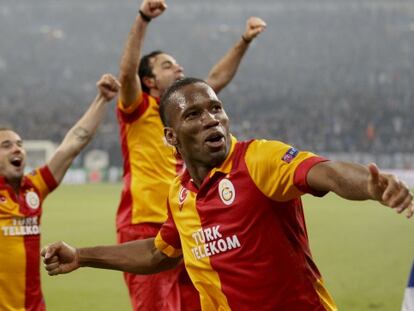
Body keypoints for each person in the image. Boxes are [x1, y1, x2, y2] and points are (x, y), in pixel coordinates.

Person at [43, 78, 413, 310]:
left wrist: (370, 185)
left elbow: (326, 172)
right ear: (171, 137)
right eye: (193, 115)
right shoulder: (181, 194)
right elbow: (159, 253)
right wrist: (82, 255)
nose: (210, 120)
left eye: (216, 109)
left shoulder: (258, 159)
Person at [115, 0, 266, 309]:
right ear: (150, 81)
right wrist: (143, 18)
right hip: (145, 223)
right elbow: (127, 70)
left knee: (201, 300)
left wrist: (244, 40)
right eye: (167, 65)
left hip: (188, 218)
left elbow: (217, 79)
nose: (179, 68)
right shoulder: (138, 108)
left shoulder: (187, 113)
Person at [0, 73, 120, 311]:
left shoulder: (33, 187)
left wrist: (101, 100)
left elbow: (73, 144)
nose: (17, 149)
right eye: (6, 145)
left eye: (20, 144)